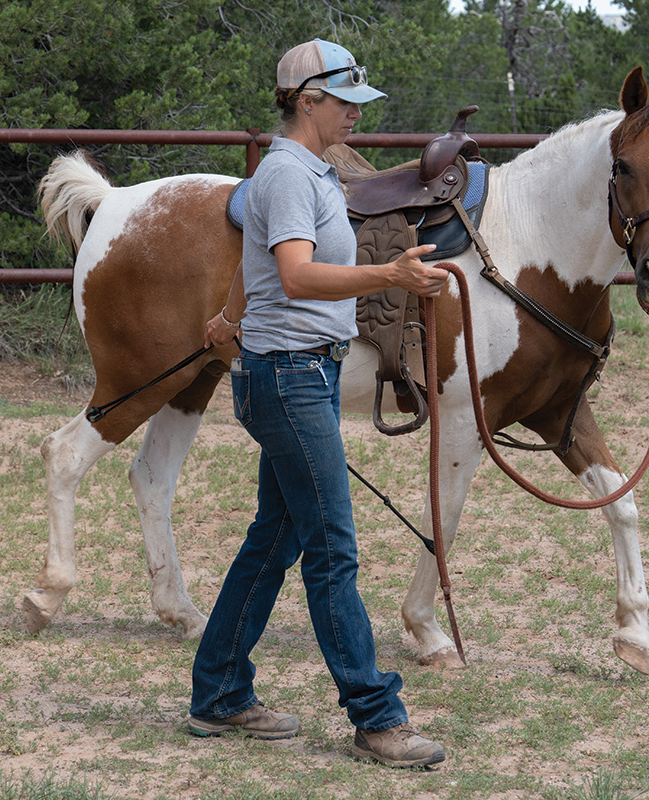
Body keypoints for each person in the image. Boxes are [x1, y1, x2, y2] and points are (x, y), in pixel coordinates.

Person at [187, 39, 450, 769]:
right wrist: (386, 274)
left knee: (276, 540)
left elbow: (258, 256)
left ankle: (218, 693)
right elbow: (298, 276)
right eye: (344, 104)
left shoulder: (309, 173)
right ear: (308, 102)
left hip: (302, 374)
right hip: (290, 377)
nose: (354, 118)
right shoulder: (286, 175)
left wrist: (232, 317)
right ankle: (376, 718)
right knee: (332, 548)